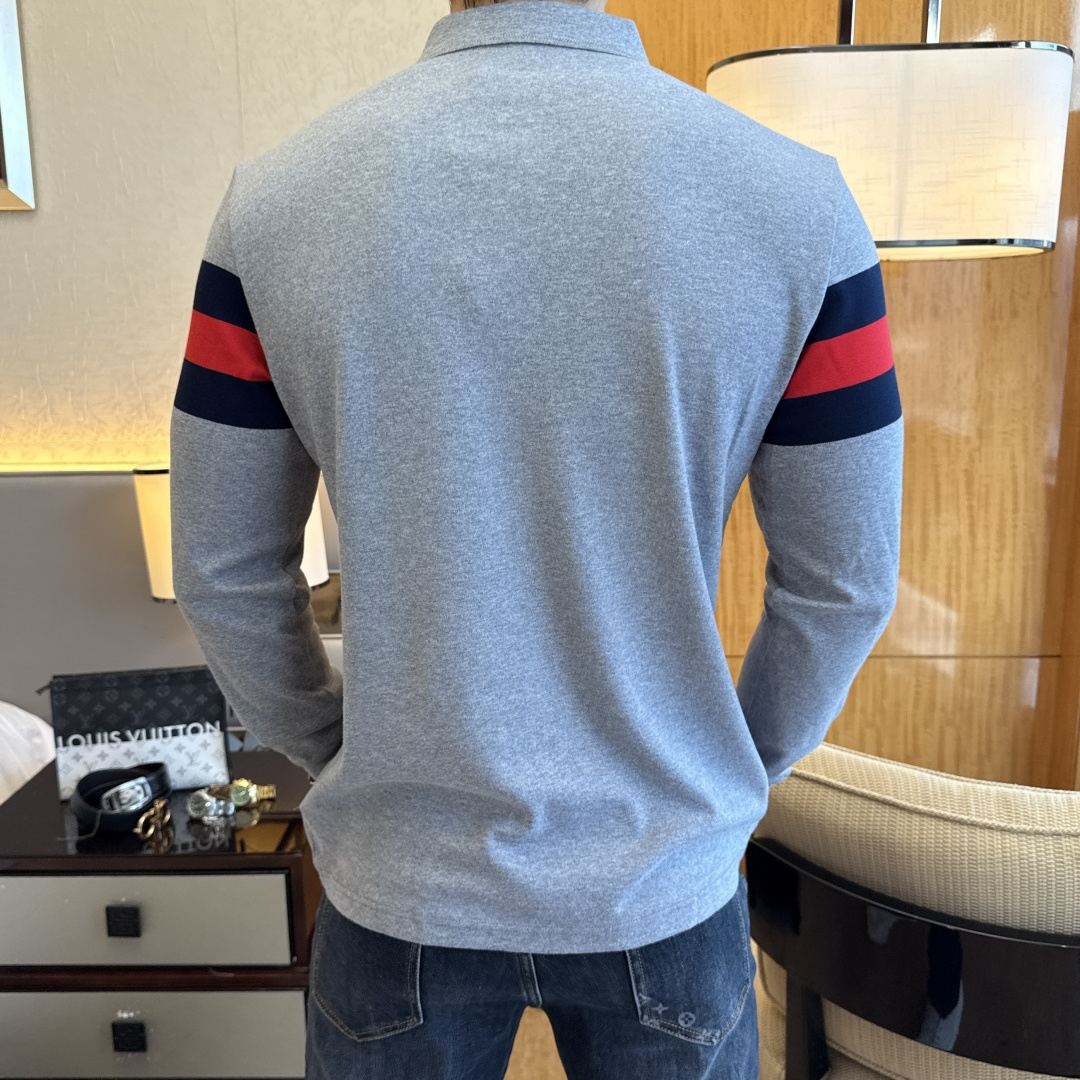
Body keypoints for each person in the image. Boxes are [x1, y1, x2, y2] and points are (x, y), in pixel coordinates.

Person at [170, 0, 903, 1076]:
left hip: (401, 878)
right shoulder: (801, 204)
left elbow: (222, 571)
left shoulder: (272, 205)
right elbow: (847, 584)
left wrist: (341, 749)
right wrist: (720, 772)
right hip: (663, 873)